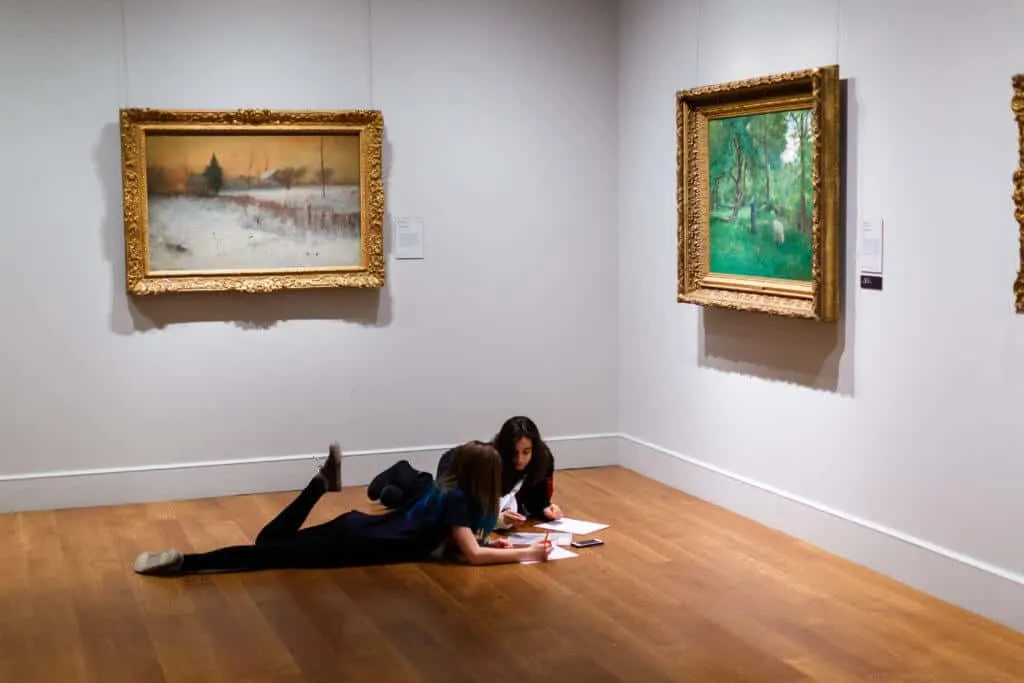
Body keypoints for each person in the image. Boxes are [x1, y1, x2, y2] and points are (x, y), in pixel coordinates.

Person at [132, 441, 553, 576]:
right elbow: (474, 555)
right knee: (261, 555)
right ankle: (185, 563)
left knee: (268, 542)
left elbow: (466, 544)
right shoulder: (459, 502)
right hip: (353, 542)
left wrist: (501, 545)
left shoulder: (447, 491)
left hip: (356, 530)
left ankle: (319, 485)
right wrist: (530, 552)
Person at [367, 416, 563, 530]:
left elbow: (536, 496)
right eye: (514, 453)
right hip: (456, 464)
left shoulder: (543, 460)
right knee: (439, 503)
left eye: (526, 452)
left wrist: (545, 508)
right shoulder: (492, 461)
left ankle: (399, 495)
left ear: (534, 449)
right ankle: (404, 473)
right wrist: (499, 520)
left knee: (428, 504)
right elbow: (476, 507)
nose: (519, 459)